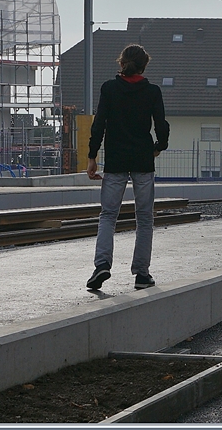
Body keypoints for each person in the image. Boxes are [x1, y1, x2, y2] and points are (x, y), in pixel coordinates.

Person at [85, 44, 170, 291]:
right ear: (144, 66)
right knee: (144, 218)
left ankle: (102, 265)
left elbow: (98, 124)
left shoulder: (109, 89)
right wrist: (158, 146)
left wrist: (92, 156)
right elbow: (161, 124)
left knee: (108, 216)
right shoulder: (152, 91)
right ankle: (141, 274)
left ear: (121, 63)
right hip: (143, 160)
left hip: (116, 161)